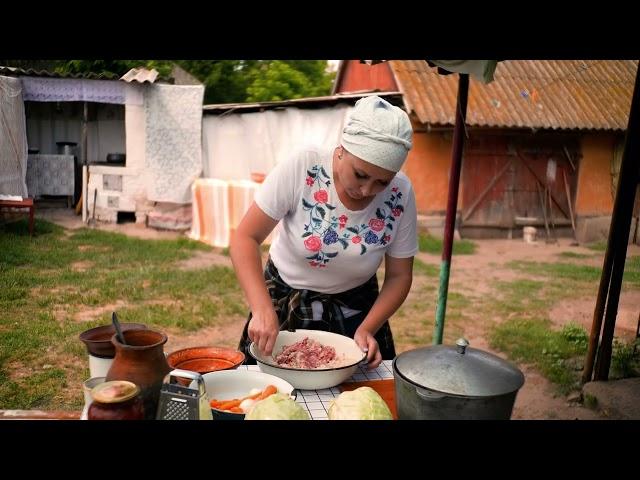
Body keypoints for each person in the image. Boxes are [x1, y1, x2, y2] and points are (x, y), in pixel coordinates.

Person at [231, 95, 417, 369]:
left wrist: (368, 328)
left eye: (382, 182)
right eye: (361, 175)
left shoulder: (400, 192)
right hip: (285, 300)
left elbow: (400, 276)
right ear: (342, 148)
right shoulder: (304, 166)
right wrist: (261, 309)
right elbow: (244, 238)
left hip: (358, 308)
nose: (367, 191)